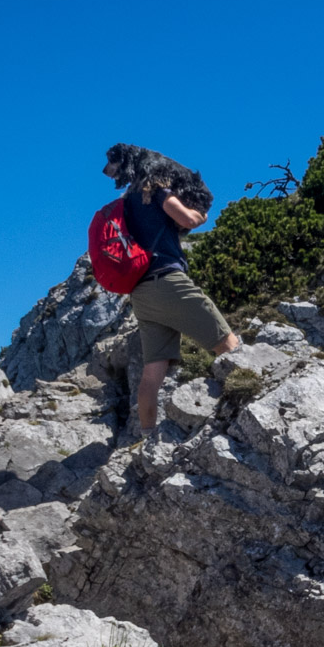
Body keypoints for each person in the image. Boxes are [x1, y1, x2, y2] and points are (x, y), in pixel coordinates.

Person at [103, 151, 241, 434]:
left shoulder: (127, 202)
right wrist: (200, 216)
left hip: (141, 293)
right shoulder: (155, 190)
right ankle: (251, 398)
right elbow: (187, 219)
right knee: (227, 343)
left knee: (153, 372)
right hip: (167, 281)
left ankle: (147, 436)